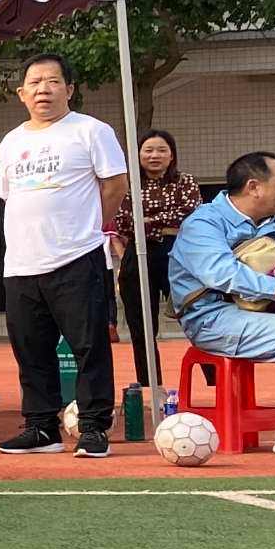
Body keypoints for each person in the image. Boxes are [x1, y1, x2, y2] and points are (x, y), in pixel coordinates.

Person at [0, 53, 128, 457]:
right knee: (30, 349)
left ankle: (93, 429)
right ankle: (40, 427)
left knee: (89, 347)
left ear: (69, 89)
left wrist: (87, 228)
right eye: (34, 83)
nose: (43, 90)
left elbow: (116, 185)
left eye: (53, 82)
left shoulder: (91, 131)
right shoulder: (11, 142)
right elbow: (10, 199)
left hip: (77, 257)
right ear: (21, 93)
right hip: (20, 264)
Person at [169, 152, 275, 456]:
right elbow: (226, 276)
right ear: (254, 187)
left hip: (268, 310)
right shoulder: (204, 223)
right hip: (213, 317)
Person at [113, 128, 193, 393]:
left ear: (172, 156)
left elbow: (189, 215)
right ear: (138, 155)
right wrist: (163, 222)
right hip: (138, 254)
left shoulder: (185, 182)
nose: (154, 155)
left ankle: (214, 378)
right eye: (148, 150)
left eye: (161, 150)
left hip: (176, 253)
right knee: (141, 323)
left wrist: (147, 221)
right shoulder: (129, 185)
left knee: (196, 315)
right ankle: (150, 384)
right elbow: (123, 221)